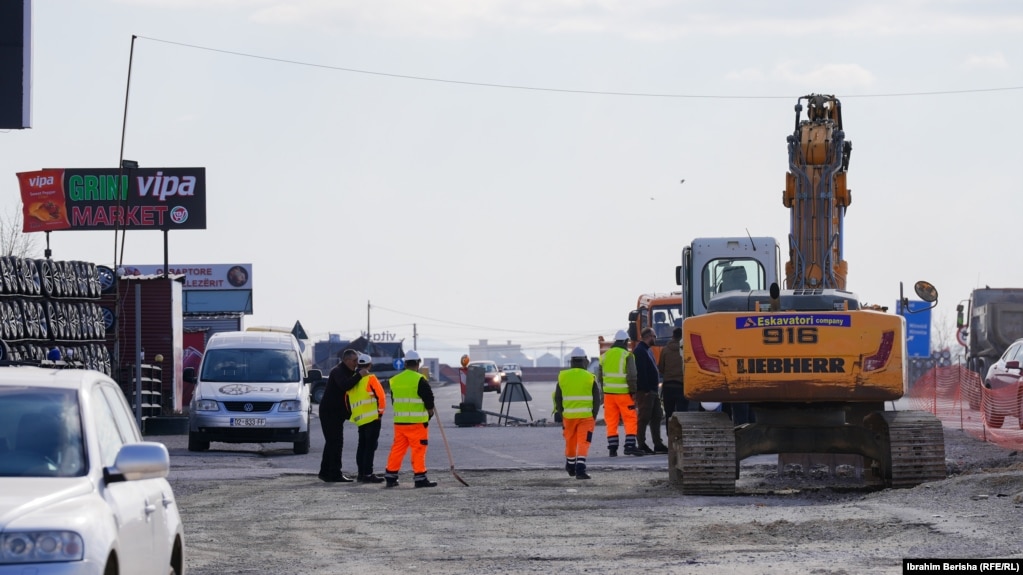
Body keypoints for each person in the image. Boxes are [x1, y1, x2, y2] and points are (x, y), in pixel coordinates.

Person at [383, 350, 437, 488]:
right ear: (418, 363)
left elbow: (395, 400)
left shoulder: (395, 380)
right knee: (418, 450)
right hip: (417, 424)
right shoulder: (419, 379)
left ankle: (391, 476)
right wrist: (430, 412)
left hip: (400, 423)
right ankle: (420, 478)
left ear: (405, 363)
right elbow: (429, 398)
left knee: (397, 449)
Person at [554, 347, 601, 479]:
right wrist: (594, 414)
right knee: (583, 442)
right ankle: (580, 469)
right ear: (585, 360)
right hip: (586, 417)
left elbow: (558, 397)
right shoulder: (589, 377)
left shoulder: (563, 376)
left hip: (568, 417)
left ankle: (570, 466)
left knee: (570, 441)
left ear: (572, 361)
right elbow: (597, 398)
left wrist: (562, 412)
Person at [317, 348, 362, 483]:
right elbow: (345, 386)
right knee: (335, 443)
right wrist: (359, 375)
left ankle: (325, 472)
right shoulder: (338, 371)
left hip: (336, 413)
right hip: (329, 412)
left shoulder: (349, 371)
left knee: (331, 443)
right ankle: (335, 473)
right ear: (346, 360)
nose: (356, 363)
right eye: (354, 361)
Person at [598, 330, 643, 457]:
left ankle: (612, 449)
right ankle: (629, 446)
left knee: (611, 422)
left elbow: (600, 377)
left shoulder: (604, 356)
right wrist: (633, 391)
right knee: (630, 419)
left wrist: (603, 393)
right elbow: (632, 375)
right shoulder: (627, 355)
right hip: (624, 394)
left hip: (608, 395)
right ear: (625, 341)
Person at [346, 353, 387, 483]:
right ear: (369, 365)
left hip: (360, 419)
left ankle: (361, 474)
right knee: (370, 447)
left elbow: (346, 400)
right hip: (372, 418)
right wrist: (380, 414)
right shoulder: (371, 378)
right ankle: (368, 475)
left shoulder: (353, 379)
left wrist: (351, 414)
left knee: (362, 446)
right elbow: (381, 397)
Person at [634, 327, 667, 454]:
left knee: (657, 415)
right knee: (644, 418)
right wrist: (646, 389)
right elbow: (641, 372)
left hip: (653, 391)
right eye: (654, 336)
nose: (655, 338)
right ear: (648, 336)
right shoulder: (640, 351)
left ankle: (657, 444)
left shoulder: (648, 350)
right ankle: (641, 443)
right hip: (646, 391)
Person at [658, 326, 687, 438]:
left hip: (668, 386)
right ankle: (681, 437)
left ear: (672, 336)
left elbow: (661, 368)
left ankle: (670, 437)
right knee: (682, 414)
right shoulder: (686, 349)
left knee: (669, 414)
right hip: (682, 386)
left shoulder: (665, 350)